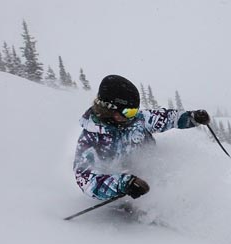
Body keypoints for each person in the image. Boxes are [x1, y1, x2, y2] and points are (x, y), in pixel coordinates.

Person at [73, 74, 210, 200]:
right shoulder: (91, 139)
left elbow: (165, 118)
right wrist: (124, 184)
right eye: (129, 112)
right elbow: (85, 179)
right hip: (126, 193)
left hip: (152, 176)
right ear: (109, 108)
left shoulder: (136, 120)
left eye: (135, 111)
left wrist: (190, 118)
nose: (133, 116)